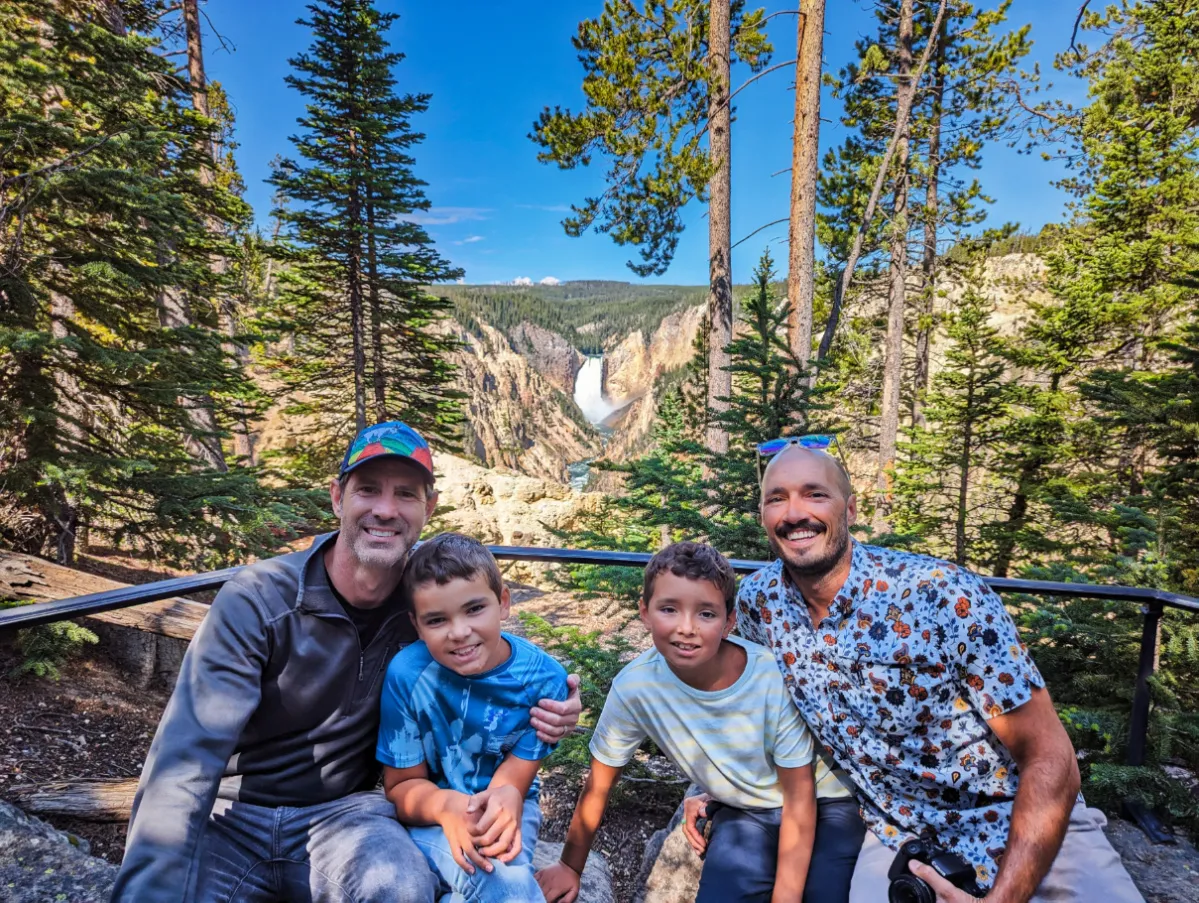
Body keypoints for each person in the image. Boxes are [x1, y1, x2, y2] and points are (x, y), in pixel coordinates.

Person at [111, 421, 581, 903]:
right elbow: (186, 757)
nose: (385, 509)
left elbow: (488, 645)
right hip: (231, 818)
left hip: (345, 817)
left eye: (405, 494)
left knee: (400, 887)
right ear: (338, 497)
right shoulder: (259, 602)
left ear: (428, 509)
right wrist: (148, 884)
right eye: (368, 490)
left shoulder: (429, 607)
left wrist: (556, 700)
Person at [735, 438, 1145, 903]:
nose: (794, 513)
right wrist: (704, 785)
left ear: (850, 509)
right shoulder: (759, 603)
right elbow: (749, 697)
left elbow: (1052, 759)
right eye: (777, 498)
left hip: (1019, 813)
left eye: (815, 494)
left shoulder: (942, 596)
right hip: (900, 830)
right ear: (763, 516)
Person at [539, 541, 861, 903]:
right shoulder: (635, 688)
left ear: (729, 621)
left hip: (824, 802)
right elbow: (599, 784)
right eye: (669, 609)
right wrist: (570, 866)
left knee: (824, 894)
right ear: (645, 612)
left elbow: (800, 794)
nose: (687, 628)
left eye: (706, 614)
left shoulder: (768, 678)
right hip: (746, 811)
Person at [378, 532, 569, 903]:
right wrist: (448, 808)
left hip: (510, 801)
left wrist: (499, 803)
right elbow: (401, 788)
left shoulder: (545, 680)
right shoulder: (406, 675)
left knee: (499, 878)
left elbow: (509, 784)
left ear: (504, 602)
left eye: (474, 609)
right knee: (504, 885)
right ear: (416, 625)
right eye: (437, 620)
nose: (460, 632)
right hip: (432, 812)